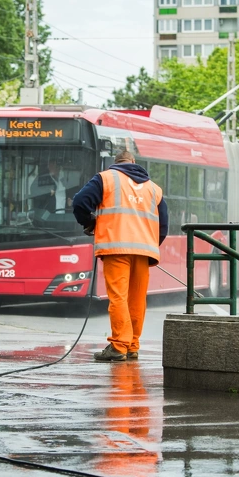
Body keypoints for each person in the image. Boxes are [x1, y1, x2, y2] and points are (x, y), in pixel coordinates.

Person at [72, 150, 169, 362]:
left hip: (116, 249)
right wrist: (150, 246)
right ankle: (132, 345)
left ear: (115, 163)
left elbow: (80, 202)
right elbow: (163, 226)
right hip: (143, 252)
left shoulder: (105, 179)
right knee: (137, 299)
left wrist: (90, 222)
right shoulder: (154, 189)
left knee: (118, 297)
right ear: (134, 163)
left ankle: (118, 346)